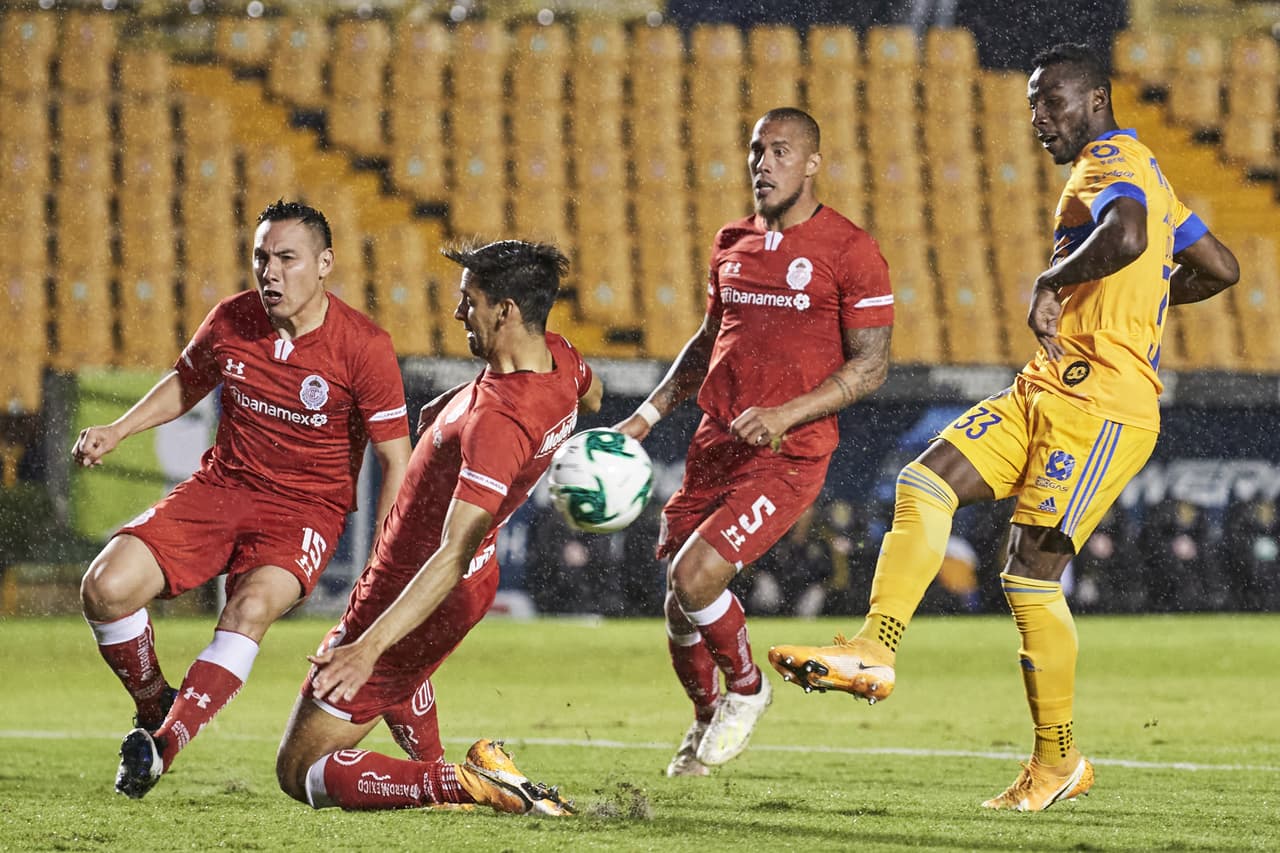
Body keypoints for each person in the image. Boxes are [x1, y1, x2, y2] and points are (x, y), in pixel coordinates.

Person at [769, 43, 1240, 811]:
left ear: (1095, 101)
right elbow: (1220, 268)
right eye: (1031, 104)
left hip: (1103, 406)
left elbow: (1123, 236)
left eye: (1050, 102)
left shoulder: (1112, 160)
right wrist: (1138, 296)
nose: (1037, 119)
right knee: (925, 481)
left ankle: (1058, 763)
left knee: (1027, 577)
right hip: (1046, 384)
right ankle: (872, 649)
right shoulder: (1151, 174)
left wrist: (1055, 281)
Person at [75, 200, 412, 799]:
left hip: (304, 511)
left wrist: (383, 565)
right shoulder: (233, 318)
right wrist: (119, 429)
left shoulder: (364, 346)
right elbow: (187, 381)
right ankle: (155, 701)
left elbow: (395, 457)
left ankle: (161, 748)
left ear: (325, 263)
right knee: (104, 587)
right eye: (261, 257)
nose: (270, 272)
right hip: (221, 488)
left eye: (286, 258)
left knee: (249, 606)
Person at [274, 239, 602, 816]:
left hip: (420, 581)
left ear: (504, 310)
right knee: (404, 671)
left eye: (468, 301)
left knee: (300, 769)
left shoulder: (499, 421)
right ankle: (446, 777)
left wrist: (365, 648)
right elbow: (590, 393)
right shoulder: (560, 358)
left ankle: (462, 784)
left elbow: (453, 550)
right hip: (461, 579)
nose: (458, 314)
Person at [617, 107, 894, 777]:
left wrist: (786, 413)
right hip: (717, 442)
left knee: (695, 577)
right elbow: (710, 337)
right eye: (756, 150)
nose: (763, 163)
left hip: (788, 454)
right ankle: (704, 714)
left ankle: (748, 688)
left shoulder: (850, 250)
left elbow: (872, 365)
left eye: (780, 150)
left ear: (812, 163)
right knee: (680, 605)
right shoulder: (731, 240)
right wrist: (650, 412)